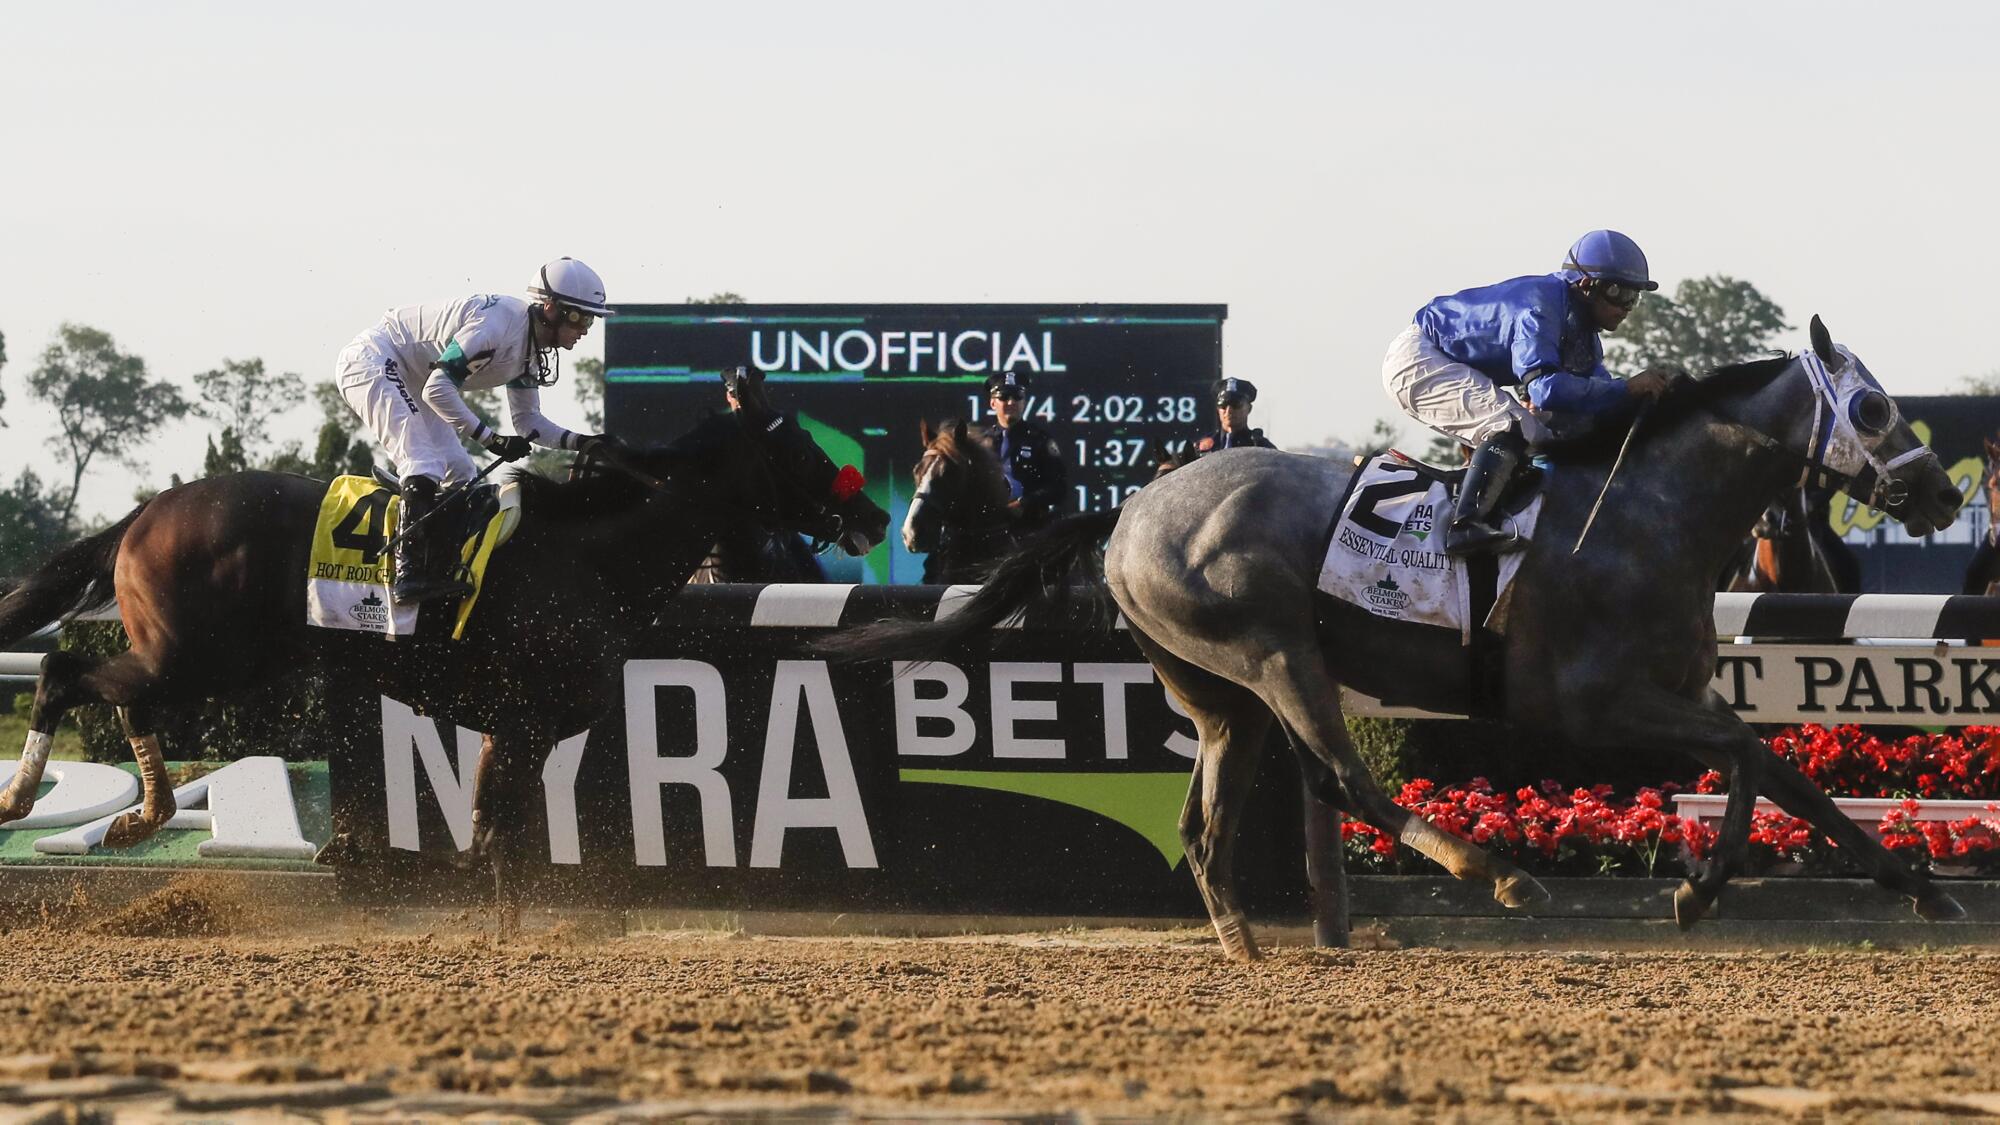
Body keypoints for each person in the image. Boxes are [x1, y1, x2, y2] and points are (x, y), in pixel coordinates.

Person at [335, 257, 619, 603]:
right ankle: (409, 573)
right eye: (582, 317)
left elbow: (529, 423)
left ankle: (439, 565)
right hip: (374, 361)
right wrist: (491, 439)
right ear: (552, 309)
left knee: (463, 472)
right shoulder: (496, 327)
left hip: (413, 377)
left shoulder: (529, 349)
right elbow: (437, 390)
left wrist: (583, 442)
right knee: (423, 462)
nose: (586, 329)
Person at [1381, 229, 1679, 556]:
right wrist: (1628, 387)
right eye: (1619, 293)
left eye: (1634, 297)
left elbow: (1596, 401)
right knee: (1512, 425)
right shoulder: (1542, 305)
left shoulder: (1584, 333)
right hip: (1419, 358)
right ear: (1585, 286)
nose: (1627, 307)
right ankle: (1465, 525)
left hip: (1451, 362)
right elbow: (1546, 390)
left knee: (1541, 433)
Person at [977, 370, 1068, 533]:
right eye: (1004, 397)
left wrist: (1024, 502)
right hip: (988, 527)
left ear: (1024, 402)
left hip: (1031, 526)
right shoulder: (980, 443)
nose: (1011, 402)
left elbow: (1059, 487)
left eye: (1017, 397)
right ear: (993, 403)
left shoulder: (1039, 440)